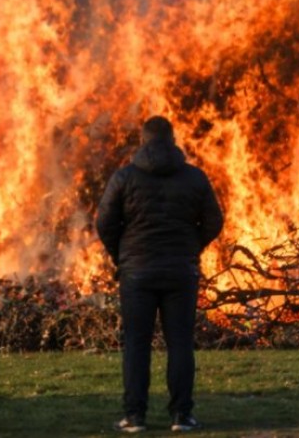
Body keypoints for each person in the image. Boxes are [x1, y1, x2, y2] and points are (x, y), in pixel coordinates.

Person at [96, 116, 224, 433]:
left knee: (136, 345)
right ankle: (181, 416)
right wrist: (192, 246)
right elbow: (214, 221)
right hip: (181, 272)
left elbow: (104, 223)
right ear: (173, 139)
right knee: (180, 343)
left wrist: (122, 254)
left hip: (137, 273)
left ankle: (134, 417)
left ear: (143, 140)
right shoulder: (194, 178)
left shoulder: (124, 178)